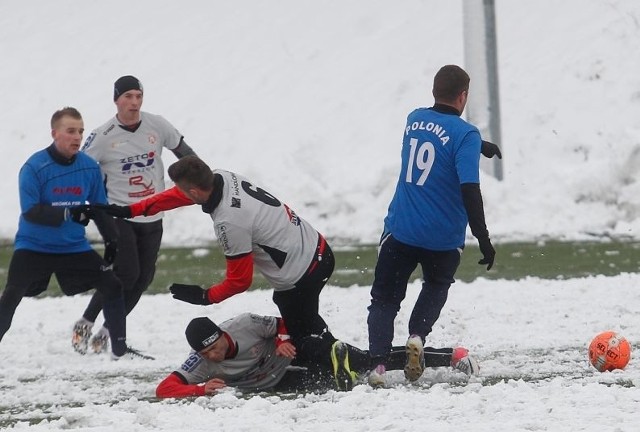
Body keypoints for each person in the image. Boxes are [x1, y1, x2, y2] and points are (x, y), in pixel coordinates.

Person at [97, 155, 357, 390]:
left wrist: (204, 297)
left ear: (195, 190)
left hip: (301, 273)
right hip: (317, 248)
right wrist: (133, 210)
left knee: (300, 340)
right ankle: (345, 356)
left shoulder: (228, 222)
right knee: (307, 327)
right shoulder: (221, 176)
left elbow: (240, 280)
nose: (178, 193)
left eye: (183, 189)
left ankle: (365, 363)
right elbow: (182, 194)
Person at [366, 65, 494, 387]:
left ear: (434, 90)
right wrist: (483, 237)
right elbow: (469, 188)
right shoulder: (466, 135)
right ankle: (417, 335)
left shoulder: (413, 120)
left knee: (384, 300)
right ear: (463, 95)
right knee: (436, 285)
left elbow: (438, 137)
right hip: (443, 238)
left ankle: (379, 365)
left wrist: (481, 145)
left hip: (403, 229)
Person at [71, 75, 197, 355]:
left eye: (138, 96)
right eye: (128, 96)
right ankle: (85, 323)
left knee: (143, 279)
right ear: (116, 100)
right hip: (120, 214)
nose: (134, 102)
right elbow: (81, 171)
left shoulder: (157, 125)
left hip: (153, 213)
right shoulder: (103, 136)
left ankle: (106, 333)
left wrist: (203, 180)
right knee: (126, 274)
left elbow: (185, 154)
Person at [0, 107, 130, 359]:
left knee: (113, 285)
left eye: (80, 131)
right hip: (33, 246)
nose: (77, 137)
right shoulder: (34, 167)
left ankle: (119, 351)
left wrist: (112, 238)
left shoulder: (89, 167)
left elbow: (99, 208)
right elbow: (31, 211)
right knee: (11, 295)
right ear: (55, 133)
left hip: (73, 248)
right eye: (70, 131)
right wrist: (69, 213)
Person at [156, 313, 477, 397]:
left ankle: (450, 355)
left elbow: (284, 321)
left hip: (293, 353)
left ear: (223, 335)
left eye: (216, 347)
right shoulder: (200, 362)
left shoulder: (243, 324)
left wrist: (281, 339)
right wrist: (199, 388)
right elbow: (164, 388)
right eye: (206, 352)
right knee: (338, 385)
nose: (214, 355)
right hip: (275, 381)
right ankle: (342, 373)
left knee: (366, 360)